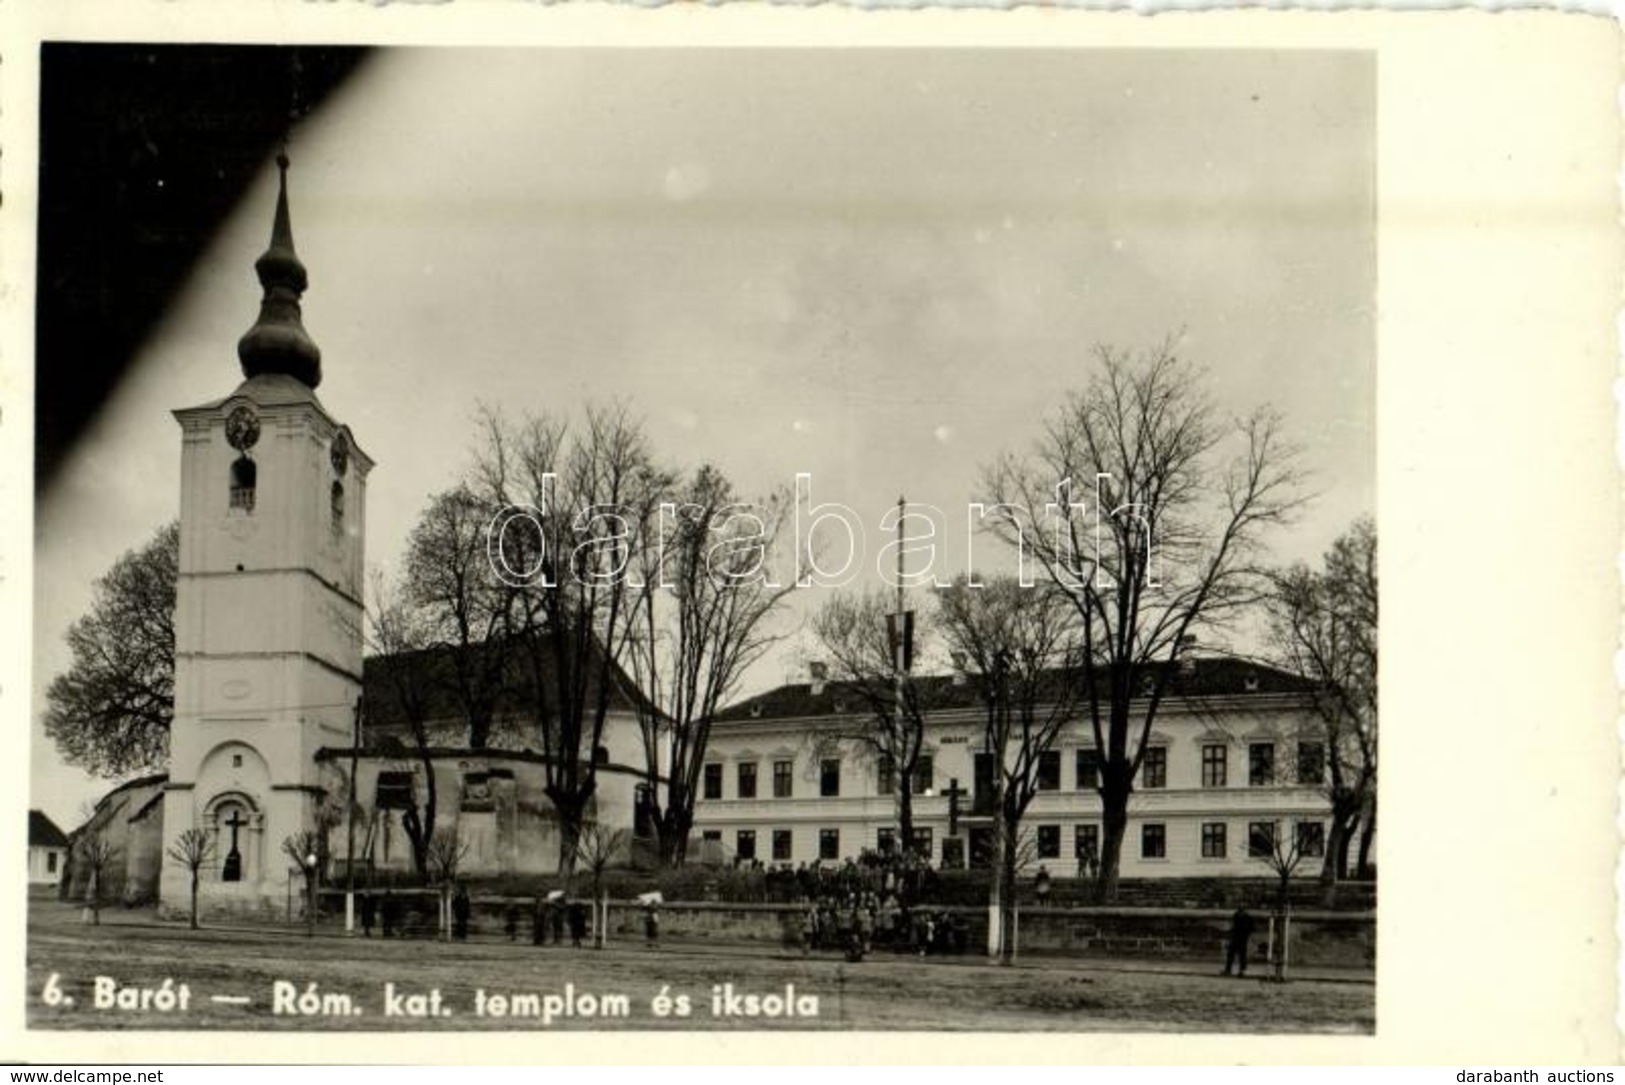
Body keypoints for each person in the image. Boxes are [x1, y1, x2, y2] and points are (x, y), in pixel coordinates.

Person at [1223, 905, 1257, 977]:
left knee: (1241, 955)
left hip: (1242, 937)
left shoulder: (1245, 918)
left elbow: (1251, 928)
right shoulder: (1237, 916)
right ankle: (1230, 969)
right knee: (1232, 954)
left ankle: (1241, 970)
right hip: (1237, 937)